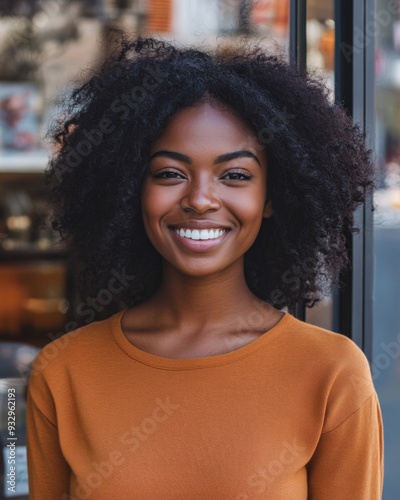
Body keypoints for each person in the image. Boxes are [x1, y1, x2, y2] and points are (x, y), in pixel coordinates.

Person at [26, 36, 383, 499]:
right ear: (128, 191)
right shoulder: (63, 371)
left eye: (235, 175)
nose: (199, 199)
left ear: (273, 197)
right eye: (170, 173)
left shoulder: (331, 374)